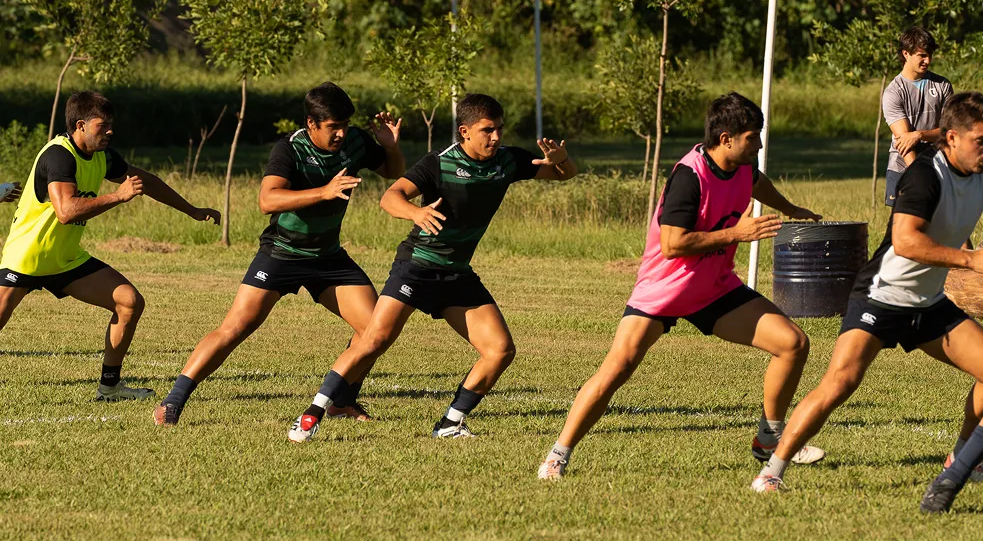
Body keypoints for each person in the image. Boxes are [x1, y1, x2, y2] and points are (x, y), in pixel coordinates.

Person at [538, 92, 824, 481]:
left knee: (793, 343)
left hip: (714, 289)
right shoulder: (689, 176)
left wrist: (792, 211)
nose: (758, 145)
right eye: (752, 137)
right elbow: (673, 245)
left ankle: (769, 440)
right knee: (616, 370)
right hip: (665, 291)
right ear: (726, 139)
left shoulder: (742, 166)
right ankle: (558, 454)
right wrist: (736, 233)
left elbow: (758, 182)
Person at [286, 92, 578, 443]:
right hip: (417, 266)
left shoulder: (508, 161)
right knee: (375, 339)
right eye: (488, 130)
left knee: (500, 350)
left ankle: (450, 423)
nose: (497, 137)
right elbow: (390, 197)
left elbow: (562, 175)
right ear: (465, 131)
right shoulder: (439, 163)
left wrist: (562, 161)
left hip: (456, 273)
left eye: (500, 129)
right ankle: (312, 413)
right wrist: (416, 212)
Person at [752, 91, 983, 494]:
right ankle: (771, 472)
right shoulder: (925, 176)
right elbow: (906, 241)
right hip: (882, 296)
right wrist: (970, 261)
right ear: (951, 138)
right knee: (840, 382)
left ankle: (962, 461)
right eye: (980, 141)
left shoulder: (979, 174)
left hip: (927, 304)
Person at [153, 82, 404, 426]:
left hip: (328, 256)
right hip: (282, 253)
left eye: (345, 125)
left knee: (377, 329)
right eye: (333, 127)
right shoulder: (289, 148)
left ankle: (342, 401)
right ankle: (173, 402)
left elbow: (393, 172)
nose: (342, 133)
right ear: (312, 123)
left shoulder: (356, 141)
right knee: (236, 328)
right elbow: (267, 200)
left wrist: (391, 148)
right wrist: (323, 192)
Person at [0, 91, 220, 401]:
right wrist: (119, 196)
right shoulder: (59, 156)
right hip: (28, 257)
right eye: (103, 125)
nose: (110, 131)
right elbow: (66, 212)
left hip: (66, 260)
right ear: (80, 125)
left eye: (110, 125)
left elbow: (147, 181)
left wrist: (192, 210)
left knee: (129, 302)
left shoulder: (103, 155)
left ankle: (110, 387)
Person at [883, 26, 952, 206]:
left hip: (938, 162)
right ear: (906, 54)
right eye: (922, 55)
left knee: (945, 223)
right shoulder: (893, 92)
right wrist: (919, 177)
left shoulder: (943, 85)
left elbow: (949, 130)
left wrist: (919, 134)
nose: (927, 60)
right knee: (903, 227)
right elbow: (903, 141)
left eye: (929, 55)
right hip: (903, 166)